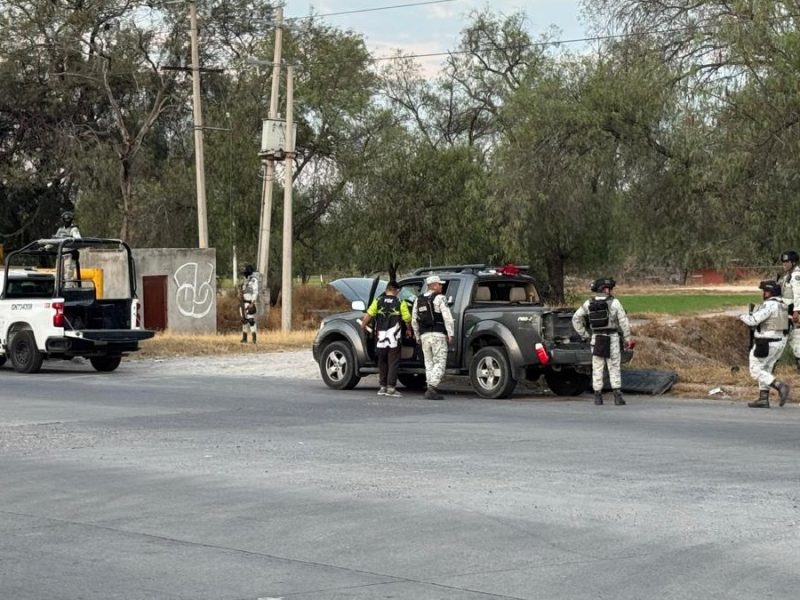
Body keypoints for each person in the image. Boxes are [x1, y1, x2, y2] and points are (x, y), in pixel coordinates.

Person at [571, 277, 633, 406]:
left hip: (596, 338)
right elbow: (624, 322)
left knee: (597, 367)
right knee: (614, 367)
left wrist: (585, 334)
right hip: (612, 337)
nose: (610, 290)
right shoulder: (615, 303)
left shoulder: (588, 303)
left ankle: (597, 397)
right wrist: (627, 338)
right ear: (605, 289)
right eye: (609, 288)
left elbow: (576, 318)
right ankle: (617, 397)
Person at [739, 280, 791, 408]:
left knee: (755, 370)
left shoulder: (769, 305)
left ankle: (779, 385)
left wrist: (742, 316)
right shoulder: (783, 305)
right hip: (779, 343)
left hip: (766, 343)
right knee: (765, 370)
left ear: (769, 292)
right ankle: (763, 398)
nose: (763, 293)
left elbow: (753, 320)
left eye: (765, 291)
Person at [361, 280, 413, 397]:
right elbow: (407, 318)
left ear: (386, 290)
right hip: (394, 338)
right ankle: (391, 388)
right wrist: (409, 329)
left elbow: (369, 314)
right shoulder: (400, 302)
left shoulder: (378, 301)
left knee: (382, 361)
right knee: (393, 362)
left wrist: (363, 325)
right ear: (396, 291)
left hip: (380, 337)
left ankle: (382, 387)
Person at [412, 274, 454, 400]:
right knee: (440, 362)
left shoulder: (418, 300)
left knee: (429, 363)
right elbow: (447, 317)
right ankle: (432, 387)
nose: (441, 286)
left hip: (424, 336)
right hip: (438, 335)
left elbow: (414, 320)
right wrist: (450, 333)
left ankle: (430, 388)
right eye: (440, 284)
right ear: (434, 285)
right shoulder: (440, 298)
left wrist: (417, 335)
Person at [778, 250, 800, 371]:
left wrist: (797, 311)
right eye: (783, 262)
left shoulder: (796, 276)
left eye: (787, 262)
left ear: (793, 262)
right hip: (786, 311)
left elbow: (798, 294)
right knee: (794, 338)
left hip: (792, 312)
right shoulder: (788, 275)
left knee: (793, 338)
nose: (784, 264)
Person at [239, 265, 259, 344]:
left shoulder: (253, 280)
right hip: (243, 302)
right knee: (244, 320)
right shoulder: (245, 280)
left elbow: (255, 292)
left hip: (250, 302)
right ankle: (244, 338)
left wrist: (253, 303)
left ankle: (254, 338)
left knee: (251, 320)